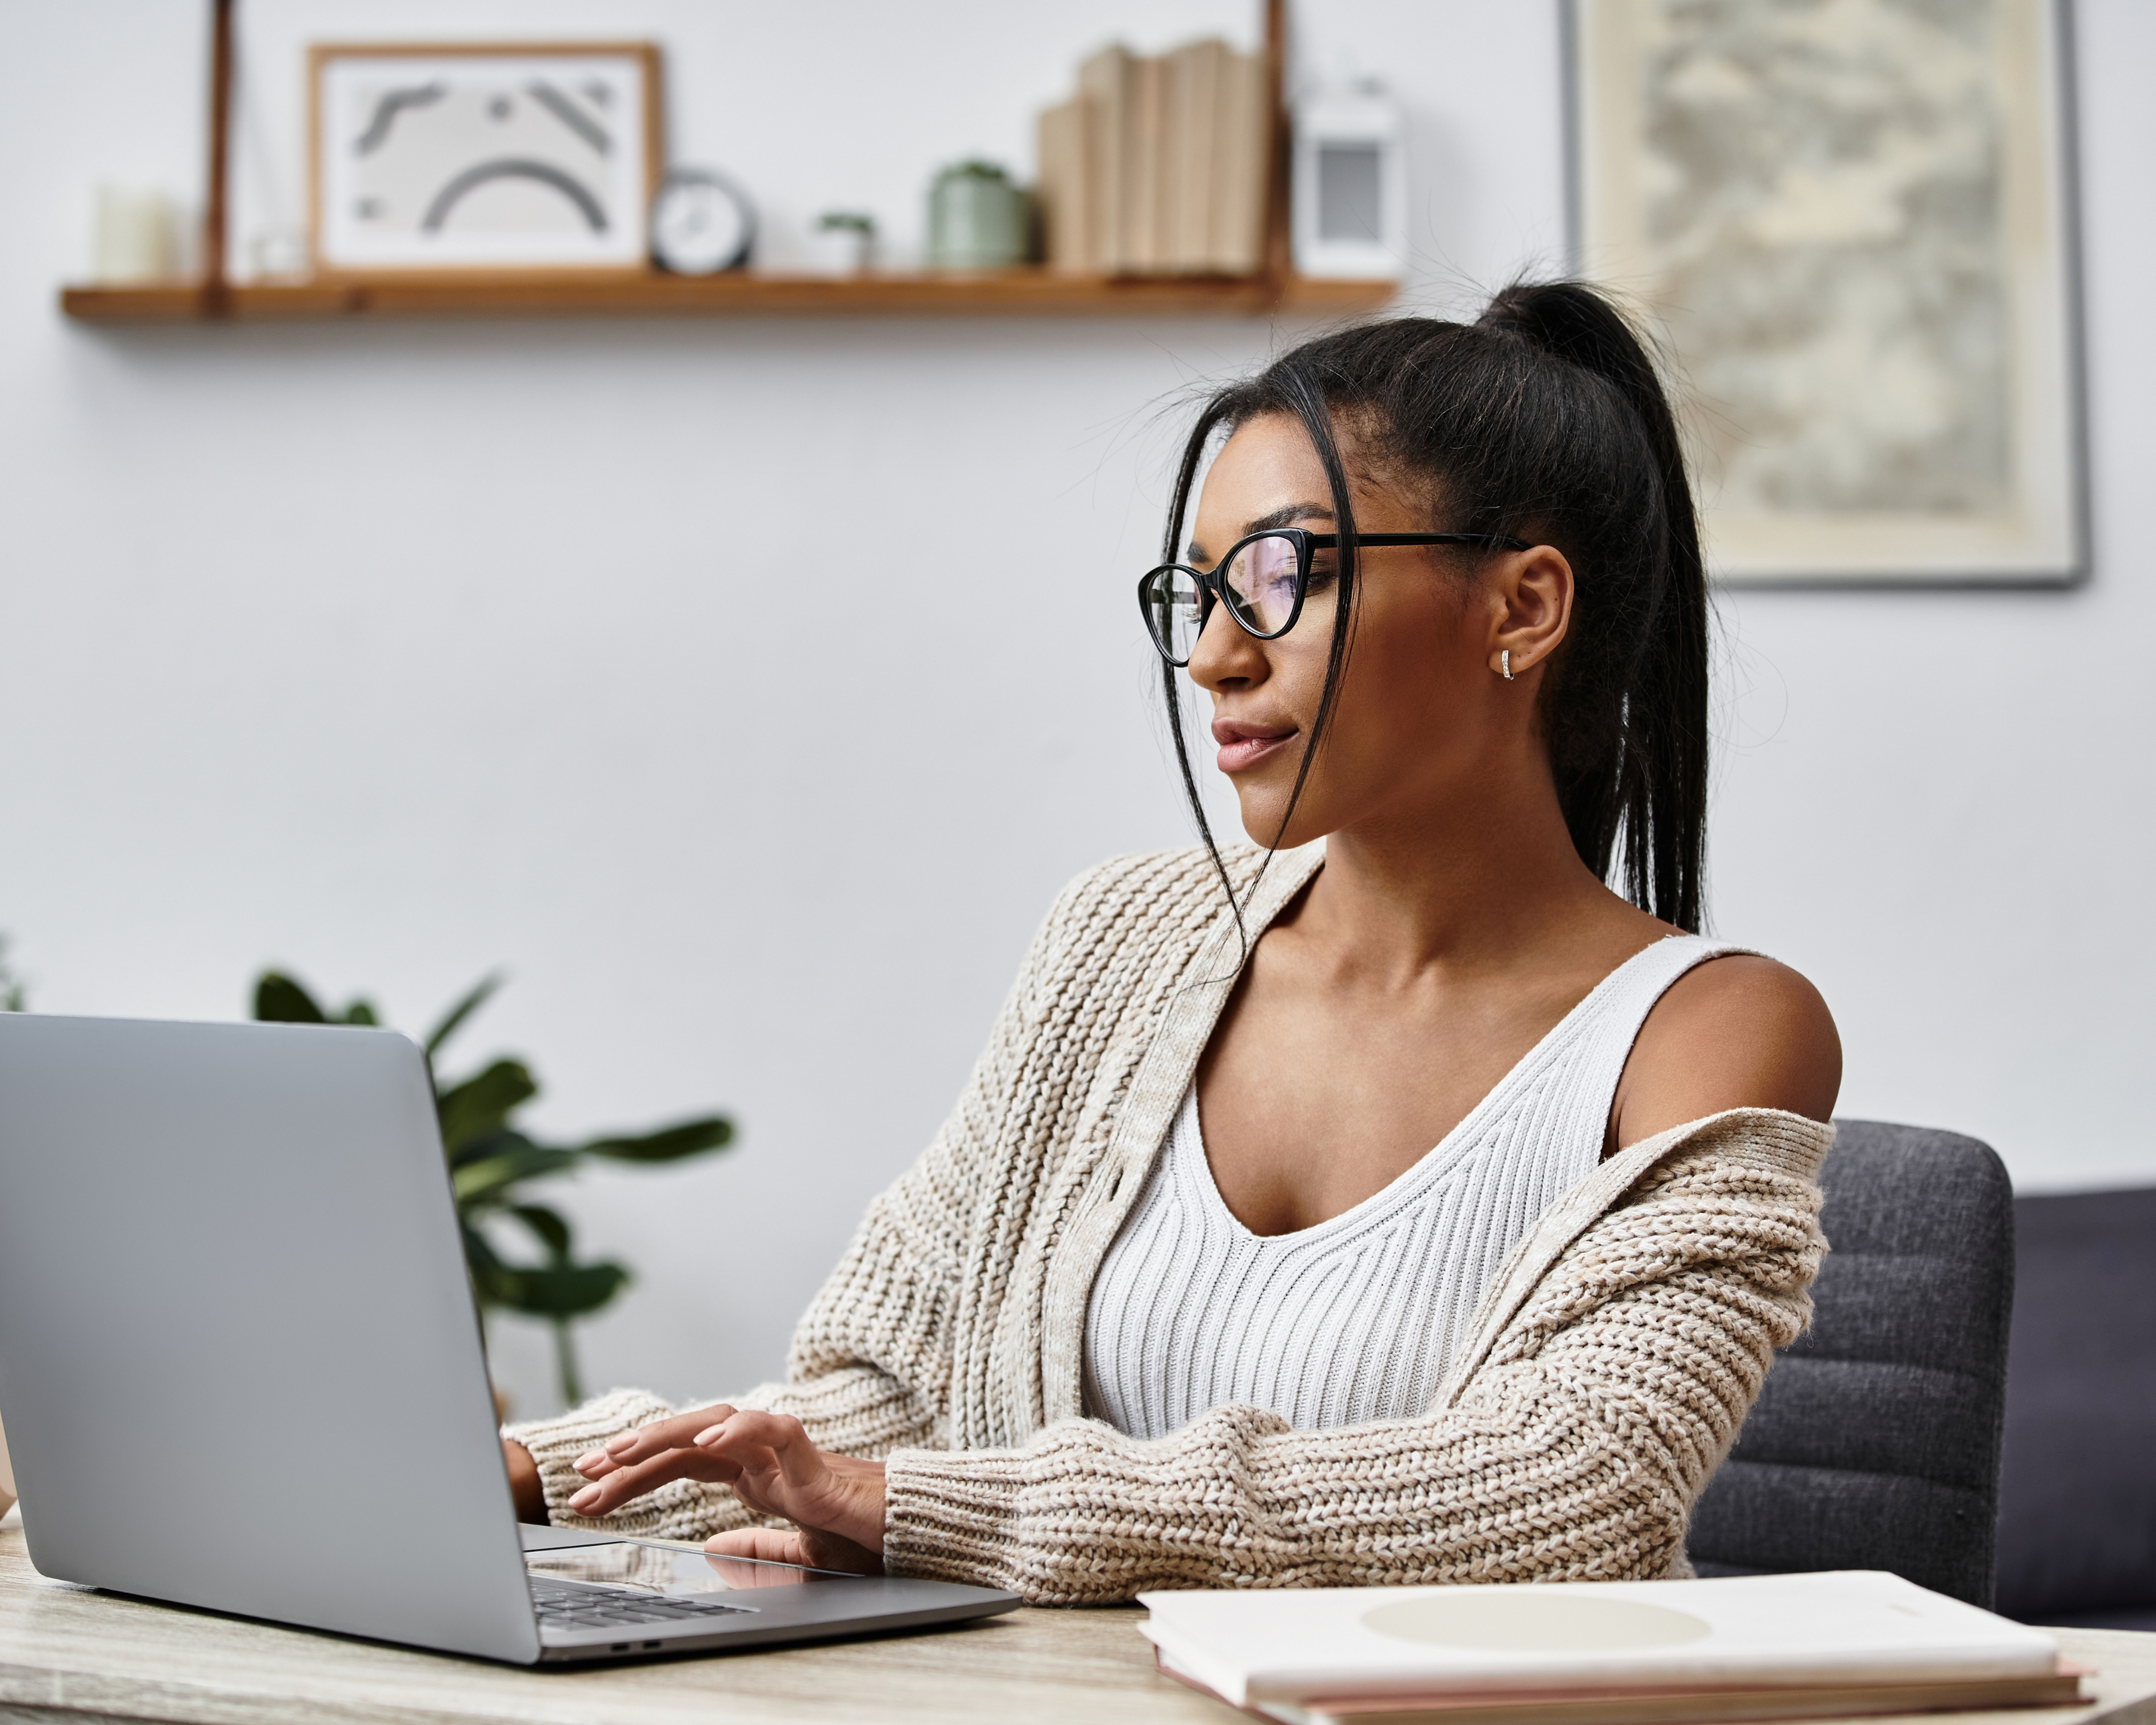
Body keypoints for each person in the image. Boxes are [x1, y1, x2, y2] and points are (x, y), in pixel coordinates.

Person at [500, 282, 1840, 1604]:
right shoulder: (1124, 943)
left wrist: (916, 1510)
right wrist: (535, 1473)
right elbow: (884, 1398)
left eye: (1275, 577)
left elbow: (1576, 1488)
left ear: (1523, 609)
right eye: (1193, 595)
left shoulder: (1709, 1029)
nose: (1209, 657)